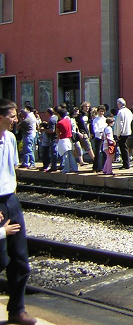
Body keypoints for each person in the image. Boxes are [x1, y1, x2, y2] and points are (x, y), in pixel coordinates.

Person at [0, 99, 37, 325]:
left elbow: (12, 168)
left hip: (11, 200)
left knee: (20, 259)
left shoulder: (11, 138)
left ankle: (17, 309)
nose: (16, 120)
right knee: (0, 259)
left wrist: (12, 197)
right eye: (12, 116)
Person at [55, 107, 77, 173]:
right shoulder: (68, 121)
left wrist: (57, 140)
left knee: (65, 155)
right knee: (70, 154)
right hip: (69, 139)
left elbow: (57, 132)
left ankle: (67, 168)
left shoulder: (59, 123)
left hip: (63, 140)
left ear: (59, 115)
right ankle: (74, 168)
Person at [113, 98, 133, 169]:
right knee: (126, 149)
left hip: (123, 133)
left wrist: (118, 134)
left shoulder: (121, 112)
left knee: (123, 149)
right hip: (129, 132)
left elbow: (120, 124)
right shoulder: (129, 111)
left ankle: (126, 164)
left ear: (119, 104)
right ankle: (127, 163)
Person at [91, 106, 107, 172]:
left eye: (102, 111)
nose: (101, 113)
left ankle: (104, 166)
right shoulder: (95, 120)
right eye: (100, 111)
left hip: (105, 137)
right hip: (98, 137)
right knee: (97, 152)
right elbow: (95, 129)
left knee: (104, 152)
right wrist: (100, 131)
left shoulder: (105, 119)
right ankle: (95, 167)